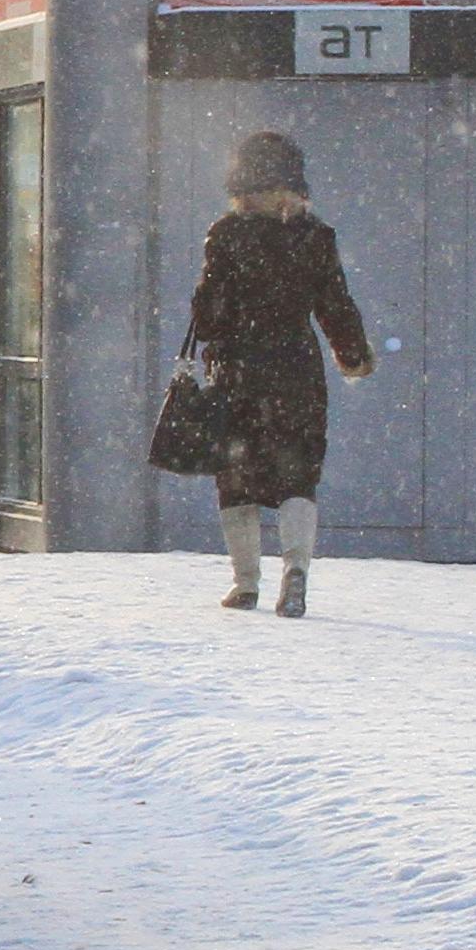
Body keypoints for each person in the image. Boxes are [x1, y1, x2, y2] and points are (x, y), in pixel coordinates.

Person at [181, 129, 374, 617]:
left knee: (236, 475)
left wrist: (216, 297)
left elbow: (207, 319)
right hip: (295, 370)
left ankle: (246, 583)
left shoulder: (225, 234)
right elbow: (335, 305)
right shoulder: (315, 236)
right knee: (298, 472)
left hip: (237, 370)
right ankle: (297, 571)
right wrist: (352, 354)